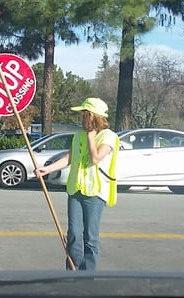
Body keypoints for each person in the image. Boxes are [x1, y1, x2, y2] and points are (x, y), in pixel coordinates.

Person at [34, 97, 119, 271]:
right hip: (75, 190)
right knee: (73, 234)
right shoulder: (78, 134)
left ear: (92, 115)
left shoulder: (109, 136)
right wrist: (47, 169)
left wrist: (91, 137)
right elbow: (69, 158)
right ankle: (72, 273)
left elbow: (95, 159)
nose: (80, 117)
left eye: (83, 114)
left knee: (90, 237)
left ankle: (87, 275)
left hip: (95, 193)